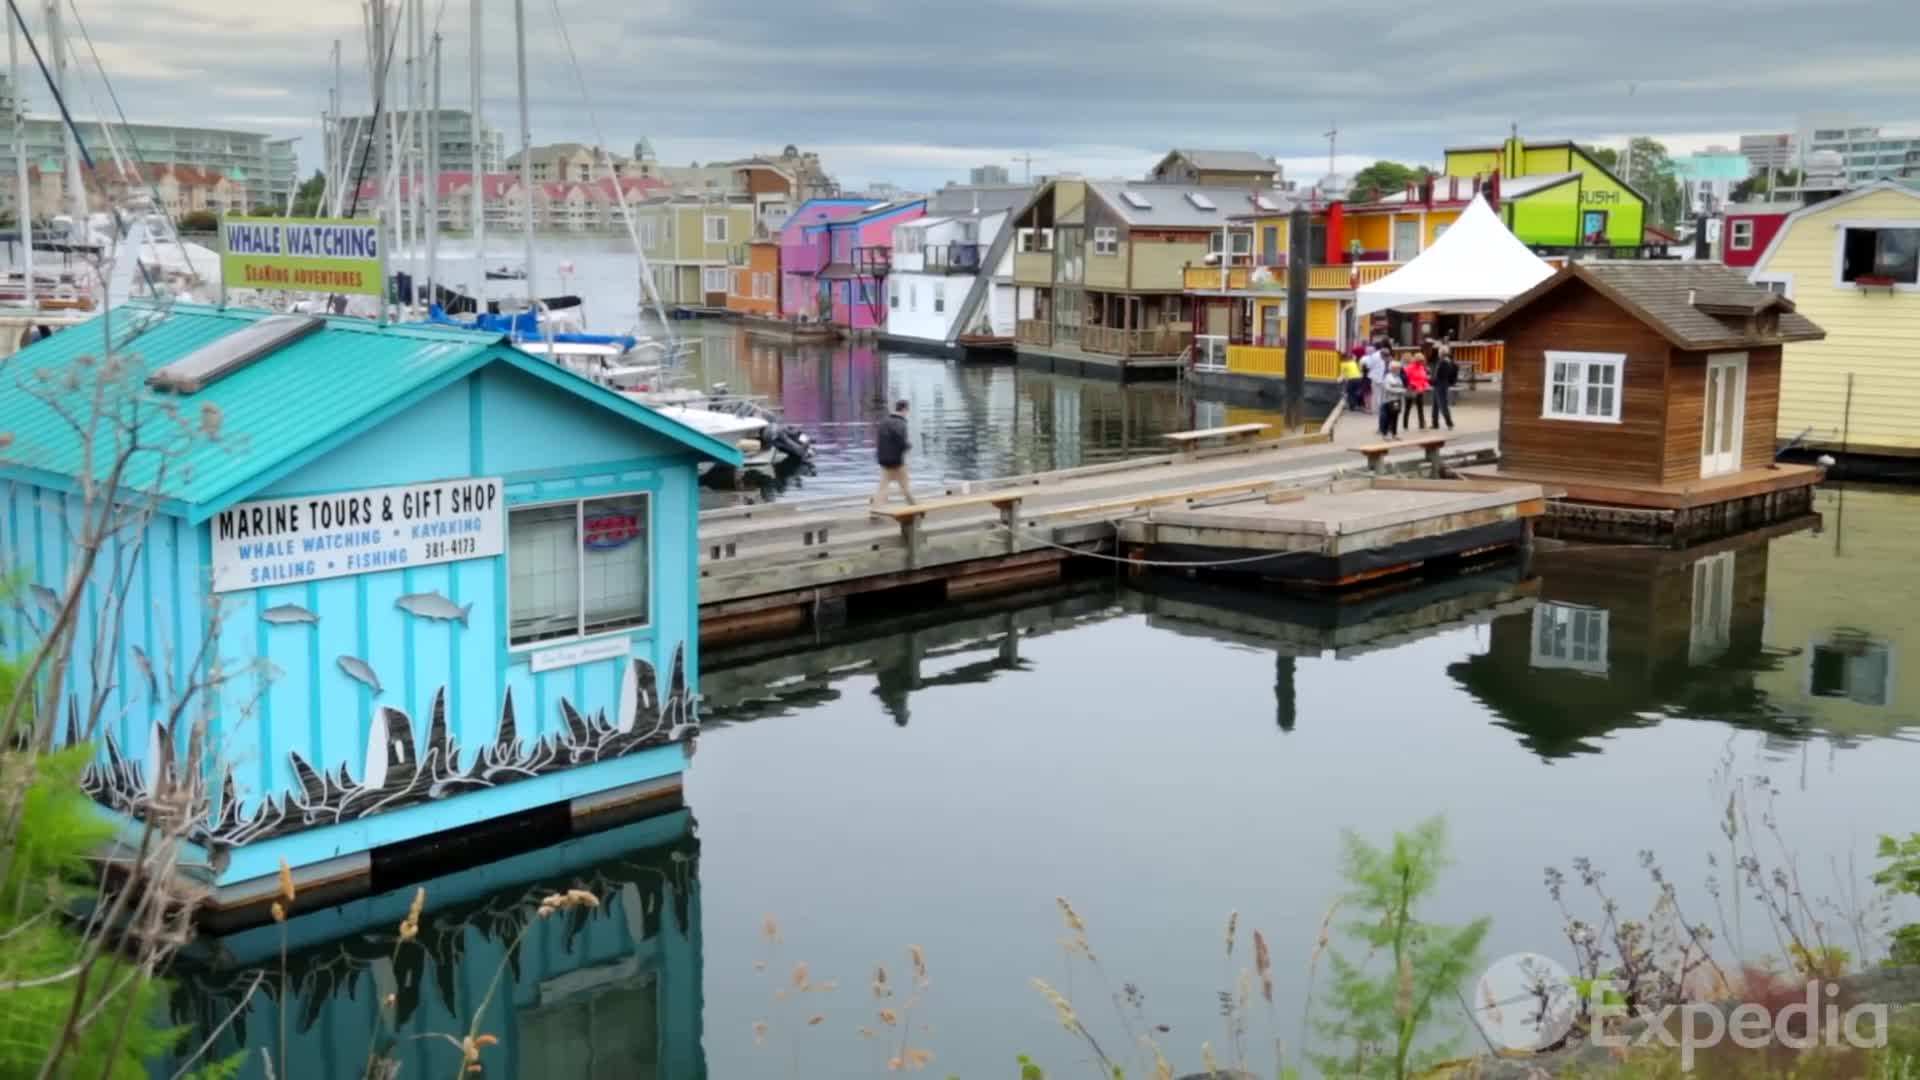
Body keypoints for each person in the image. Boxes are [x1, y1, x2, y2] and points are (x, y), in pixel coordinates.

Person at [873, 399, 915, 506]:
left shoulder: (884, 422)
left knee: (883, 487)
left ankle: (875, 509)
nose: (907, 413)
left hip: (883, 459)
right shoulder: (901, 423)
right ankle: (914, 507)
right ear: (904, 409)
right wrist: (908, 446)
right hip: (896, 461)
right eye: (907, 410)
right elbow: (901, 441)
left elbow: (879, 441)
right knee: (905, 486)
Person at [1403, 349, 1432, 431]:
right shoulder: (1409, 368)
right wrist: (1413, 385)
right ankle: (1405, 425)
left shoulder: (1422, 368)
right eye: (1421, 361)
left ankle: (1422, 425)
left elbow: (1424, 379)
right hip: (1411, 390)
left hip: (1420, 391)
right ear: (1417, 360)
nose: (1423, 363)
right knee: (1407, 408)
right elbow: (1406, 379)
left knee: (1420, 408)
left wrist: (1426, 385)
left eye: (1423, 361)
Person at [1432, 342, 1458, 431]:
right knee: (1435, 404)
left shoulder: (1442, 363)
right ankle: (1435, 423)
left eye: (1439, 352)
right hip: (1444, 384)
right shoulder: (1451, 362)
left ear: (1441, 353)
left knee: (1442, 405)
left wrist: (1431, 381)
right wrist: (1451, 382)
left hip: (1440, 384)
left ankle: (1449, 423)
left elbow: (1437, 375)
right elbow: (1454, 373)